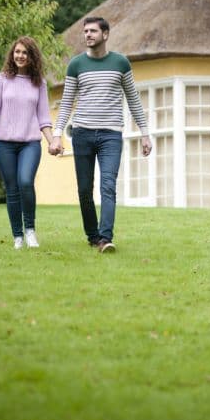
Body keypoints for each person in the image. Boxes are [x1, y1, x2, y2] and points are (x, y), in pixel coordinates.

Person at [48, 17, 152, 253]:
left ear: (105, 34)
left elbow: (133, 99)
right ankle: (92, 235)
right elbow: (66, 104)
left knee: (108, 185)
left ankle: (105, 238)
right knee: (84, 189)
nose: (88, 35)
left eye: (93, 31)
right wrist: (56, 135)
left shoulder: (120, 63)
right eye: (85, 31)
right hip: (82, 133)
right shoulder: (76, 65)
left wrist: (145, 133)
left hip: (110, 136)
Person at [0, 36, 54, 250]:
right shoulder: (1, 79)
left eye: (25, 53)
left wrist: (53, 141)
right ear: (12, 54)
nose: (20, 56)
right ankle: (17, 236)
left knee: (25, 182)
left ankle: (30, 231)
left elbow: (44, 118)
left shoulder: (40, 84)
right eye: (17, 52)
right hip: (4, 144)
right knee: (12, 189)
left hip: (30, 143)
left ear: (32, 57)